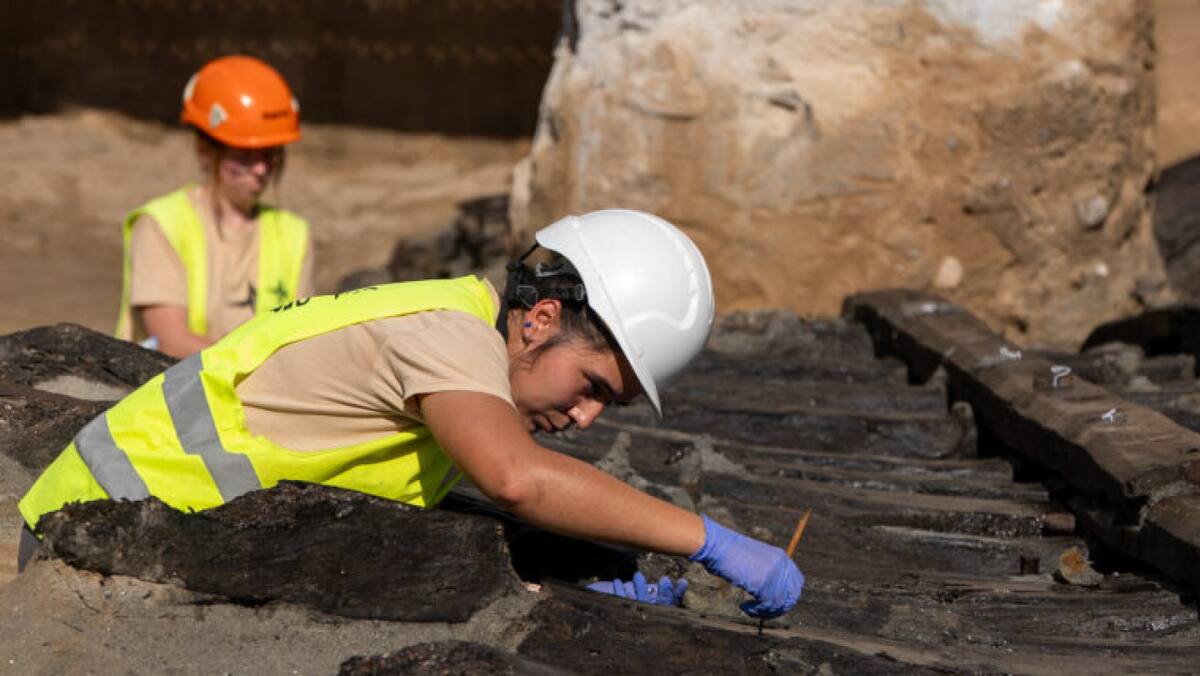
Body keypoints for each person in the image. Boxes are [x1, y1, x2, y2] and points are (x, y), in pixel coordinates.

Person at [20, 209, 804, 618]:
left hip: (151, 522)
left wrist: (560, 569)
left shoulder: (459, 330)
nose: (589, 416)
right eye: (593, 383)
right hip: (90, 530)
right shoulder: (449, 337)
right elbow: (517, 480)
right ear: (540, 320)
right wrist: (708, 540)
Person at [114, 55, 314, 358]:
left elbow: (302, 343)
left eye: (269, 154)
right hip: (170, 396)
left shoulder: (293, 235)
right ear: (205, 148)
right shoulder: (162, 224)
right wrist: (264, 369)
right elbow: (171, 342)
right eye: (246, 155)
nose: (261, 169)